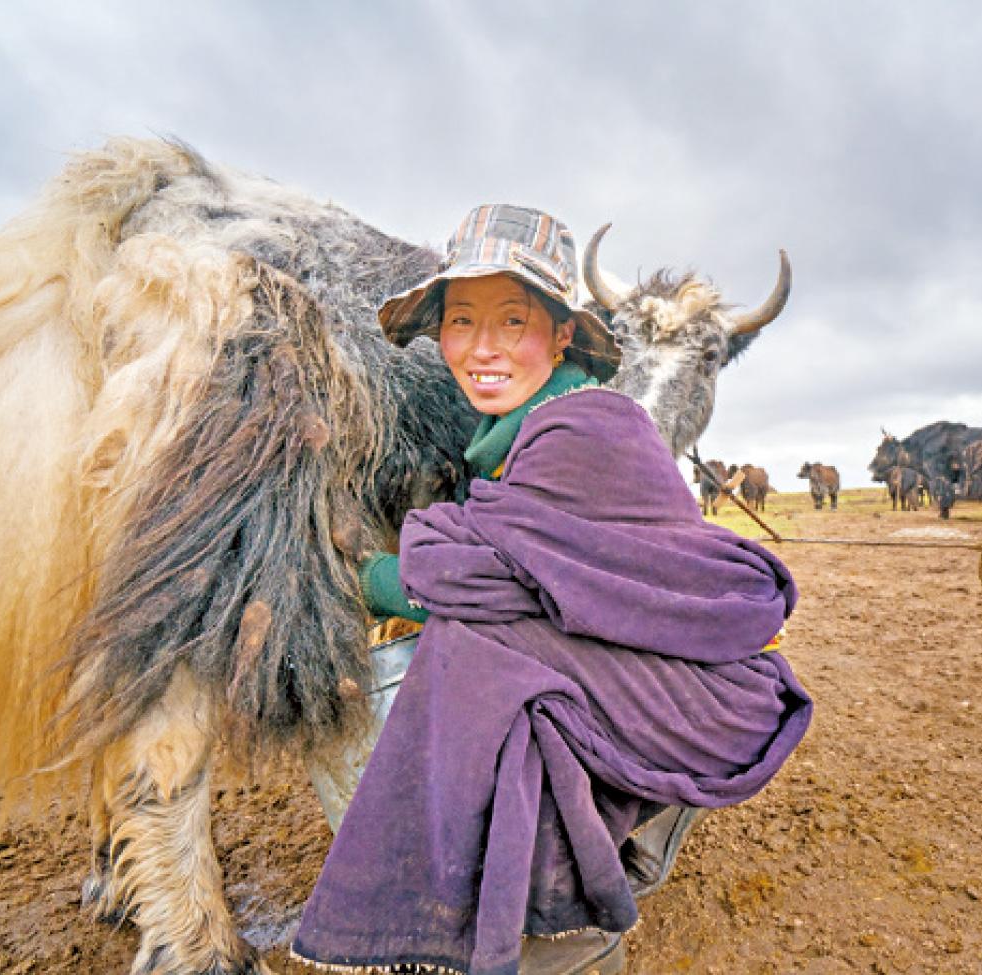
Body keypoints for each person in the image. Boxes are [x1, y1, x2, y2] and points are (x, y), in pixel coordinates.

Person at [291, 205, 812, 975]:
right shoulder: (525, 431)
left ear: (563, 333)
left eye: (513, 319)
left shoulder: (584, 429)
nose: (483, 347)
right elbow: (539, 570)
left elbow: (487, 581)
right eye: (461, 322)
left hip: (685, 713)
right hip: (667, 698)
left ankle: (563, 930)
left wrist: (363, 577)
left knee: (454, 657)